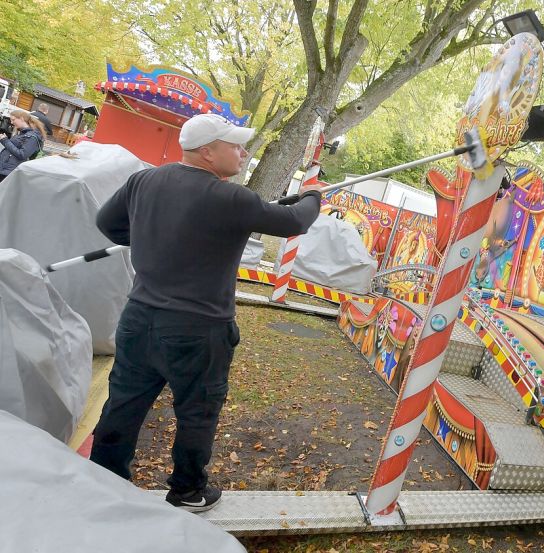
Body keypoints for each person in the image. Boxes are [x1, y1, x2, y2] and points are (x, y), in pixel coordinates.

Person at [89, 113, 323, 513]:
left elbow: (106, 223)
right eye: (235, 145)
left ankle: (100, 481)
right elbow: (294, 221)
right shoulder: (231, 198)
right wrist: (313, 194)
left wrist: (151, 237)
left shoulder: (144, 181)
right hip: (198, 331)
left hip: (139, 319)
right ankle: (187, 490)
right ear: (208, 152)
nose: (244, 152)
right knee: (197, 410)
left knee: (123, 404)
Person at [0, 109, 46, 181]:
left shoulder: (32, 137)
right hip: (5, 169)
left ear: (21, 118)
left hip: (10, 172)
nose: (11, 122)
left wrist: (5, 141)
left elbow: (22, 155)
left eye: (13, 120)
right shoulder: (22, 133)